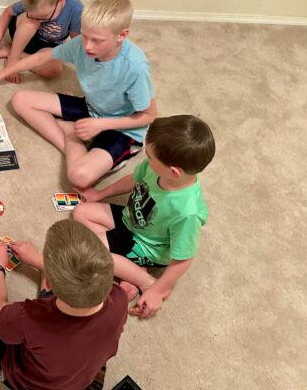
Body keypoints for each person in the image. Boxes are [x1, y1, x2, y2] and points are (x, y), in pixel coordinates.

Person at [0, 0, 157, 189]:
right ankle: (72, 140)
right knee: (20, 99)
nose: (87, 46)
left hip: (123, 129)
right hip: (91, 109)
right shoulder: (81, 45)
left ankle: (73, 138)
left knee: (80, 176)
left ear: (122, 35)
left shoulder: (135, 67)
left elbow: (148, 116)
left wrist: (101, 124)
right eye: (85, 35)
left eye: (97, 40)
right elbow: (41, 58)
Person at [0, 220, 128, 390]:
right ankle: (92, 373)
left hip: (26, 381)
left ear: (49, 284)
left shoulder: (31, 317)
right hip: (79, 371)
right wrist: (35, 259)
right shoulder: (119, 297)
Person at [73, 114, 215, 319]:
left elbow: (184, 258)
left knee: (88, 252)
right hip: (130, 218)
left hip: (147, 245)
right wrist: (100, 194)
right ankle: (131, 267)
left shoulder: (187, 212)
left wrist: (158, 290)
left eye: (150, 156)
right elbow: (135, 179)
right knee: (80, 211)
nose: (146, 159)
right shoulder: (157, 169)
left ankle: (146, 281)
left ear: (174, 172)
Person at [0, 0, 82, 82]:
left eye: (44, 16)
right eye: (32, 14)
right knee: (31, 23)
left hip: (50, 43)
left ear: (61, 1)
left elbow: (76, 40)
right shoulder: (34, 1)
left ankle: (12, 51)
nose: (39, 19)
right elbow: (7, 12)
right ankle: (13, 59)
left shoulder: (75, 8)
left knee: (55, 70)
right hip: (21, 34)